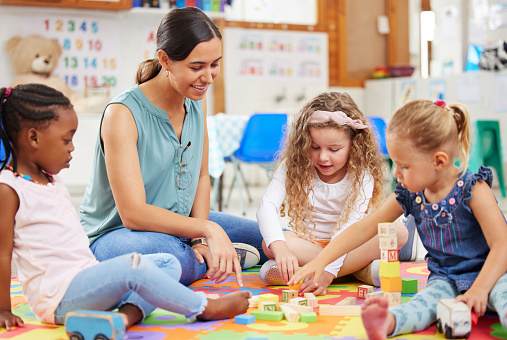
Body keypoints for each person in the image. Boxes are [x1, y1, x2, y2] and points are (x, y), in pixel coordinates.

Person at [0, 84, 252, 331]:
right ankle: (203, 308)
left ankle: (121, 319)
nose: (72, 147)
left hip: (85, 279)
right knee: (135, 266)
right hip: (57, 296)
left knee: (167, 264)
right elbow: (2, 253)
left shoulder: (50, 180)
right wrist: (2, 309)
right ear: (33, 137)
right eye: (66, 140)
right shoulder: (9, 188)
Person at [78, 7, 267, 287]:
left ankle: (223, 257)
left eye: (214, 64)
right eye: (196, 67)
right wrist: (206, 229)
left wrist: (200, 238)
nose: (208, 76)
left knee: (271, 239)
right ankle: (221, 260)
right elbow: (132, 214)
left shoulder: (195, 102)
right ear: (165, 60)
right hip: (116, 234)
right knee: (173, 260)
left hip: (180, 225)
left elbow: (202, 176)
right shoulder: (122, 114)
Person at [289, 99, 507, 339]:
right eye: (394, 164)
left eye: (403, 165)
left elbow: (502, 245)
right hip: (446, 278)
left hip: (494, 273)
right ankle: (388, 323)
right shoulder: (411, 193)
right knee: (422, 304)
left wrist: (480, 289)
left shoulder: (474, 189)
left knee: (503, 297)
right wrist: (320, 262)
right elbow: (364, 228)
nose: (395, 173)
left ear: (439, 161)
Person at [257, 92, 408, 295]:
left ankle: (311, 273)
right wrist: (282, 249)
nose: (323, 157)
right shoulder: (293, 166)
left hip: (349, 245)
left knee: (398, 232)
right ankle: (358, 271)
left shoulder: (362, 175)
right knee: (270, 244)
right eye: (314, 147)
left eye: (334, 149)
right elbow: (267, 205)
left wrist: (327, 273)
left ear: (353, 146)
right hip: (308, 244)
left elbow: (350, 228)